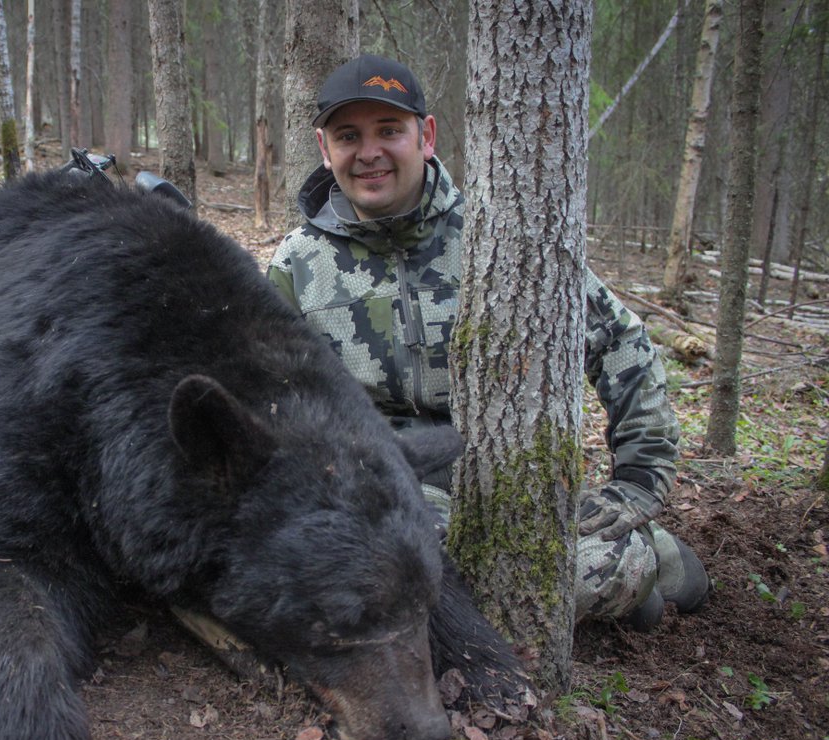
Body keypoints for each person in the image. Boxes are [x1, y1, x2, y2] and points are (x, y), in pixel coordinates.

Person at [267, 53, 708, 631]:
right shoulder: (297, 264)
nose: (369, 152)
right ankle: (618, 584)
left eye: (389, 131)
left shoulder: (498, 236)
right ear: (325, 149)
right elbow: (270, 395)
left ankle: (645, 559)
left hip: (512, 480)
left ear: (425, 137)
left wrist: (639, 483)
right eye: (349, 136)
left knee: (593, 569)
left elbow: (620, 341)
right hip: (391, 489)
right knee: (401, 581)